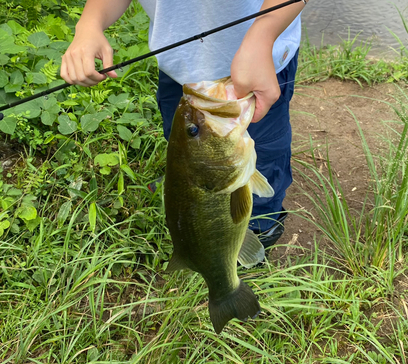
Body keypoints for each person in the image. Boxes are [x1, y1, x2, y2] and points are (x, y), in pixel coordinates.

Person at [61, 0, 307, 248]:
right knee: (183, 148)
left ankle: (260, 227)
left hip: (262, 62)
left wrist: (264, 33)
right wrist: (89, 23)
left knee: (263, 156)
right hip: (179, 67)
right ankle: (189, 196)